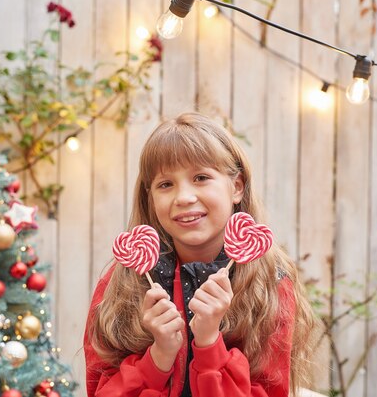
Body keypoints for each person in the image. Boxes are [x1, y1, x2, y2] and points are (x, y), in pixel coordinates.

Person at [85, 113, 316, 397]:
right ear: (151, 198)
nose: (183, 197)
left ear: (237, 186)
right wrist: (159, 356)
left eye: (201, 177)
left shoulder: (269, 283)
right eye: (165, 184)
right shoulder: (121, 284)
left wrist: (208, 342)